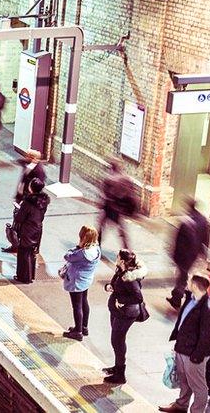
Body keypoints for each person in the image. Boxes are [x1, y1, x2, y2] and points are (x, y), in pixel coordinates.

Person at [161, 274, 210, 411]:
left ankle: (196, 410)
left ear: (196, 285)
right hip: (182, 348)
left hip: (193, 354)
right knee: (184, 381)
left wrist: (197, 357)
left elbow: (207, 337)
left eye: (190, 281)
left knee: (198, 386)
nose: (187, 282)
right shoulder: (190, 299)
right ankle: (181, 405)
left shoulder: (208, 309)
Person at [103, 249, 148, 386]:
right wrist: (110, 287)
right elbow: (116, 284)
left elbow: (138, 297)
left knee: (117, 340)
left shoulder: (130, 278)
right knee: (116, 340)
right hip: (118, 311)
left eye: (117, 256)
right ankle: (117, 367)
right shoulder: (120, 270)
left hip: (126, 313)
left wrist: (121, 300)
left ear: (122, 260)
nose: (115, 258)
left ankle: (120, 374)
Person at [169, 198, 210, 310]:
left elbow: (178, 241)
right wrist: (203, 253)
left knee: (183, 276)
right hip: (193, 254)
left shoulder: (186, 222)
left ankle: (177, 297)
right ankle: (176, 296)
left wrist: (173, 254)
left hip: (183, 255)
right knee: (183, 274)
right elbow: (205, 238)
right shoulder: (203, 220)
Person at [61, 226, 100, 341]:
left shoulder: (82, 253)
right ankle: (84, 327)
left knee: (76, 306)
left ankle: (78, 332)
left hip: (76, 281)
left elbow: (68, 256)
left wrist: (76, 247)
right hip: (86, 280)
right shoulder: (96, 249)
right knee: (84, 302)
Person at [12, 178, 49, 284]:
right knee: (31, 252)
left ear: (31, 187)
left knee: (24, 252)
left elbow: (20, 218)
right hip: (37, 229)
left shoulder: (28, 202)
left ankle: (24, 277)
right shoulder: (44, 202)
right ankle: (31, 275)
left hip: (27, 230)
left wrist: (18, 210)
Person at [99, 158, 138, 250]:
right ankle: (127, 250)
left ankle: (96, 245)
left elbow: (105, 195)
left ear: (112, 167)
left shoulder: (109, 179)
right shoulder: (126, 179)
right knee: (122, 231)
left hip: (109, 208)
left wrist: (102, 204)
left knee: (101, 227)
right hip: (119, 210)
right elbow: (132, 194)